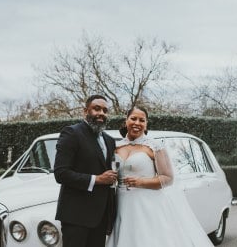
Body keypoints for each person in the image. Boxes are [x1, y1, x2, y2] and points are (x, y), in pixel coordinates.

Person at [106, 106, 214, 247]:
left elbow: (168, 178)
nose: (137, 123)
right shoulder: (116, 147)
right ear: (126, 121)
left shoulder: (154, 146)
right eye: (133, 118)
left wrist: (141, 182)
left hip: (148, 204)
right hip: (121, 202)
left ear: (146, 124)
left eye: (141, 120)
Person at [54, 94, 117, 247]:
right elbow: (61, 173)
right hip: (76, 216)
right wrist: (97, 179)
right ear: (85, 111)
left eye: (105, 110)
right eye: (96, 109)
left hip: (100, 217)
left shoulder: (110, 140)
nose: (101, 113)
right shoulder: (71, 133)